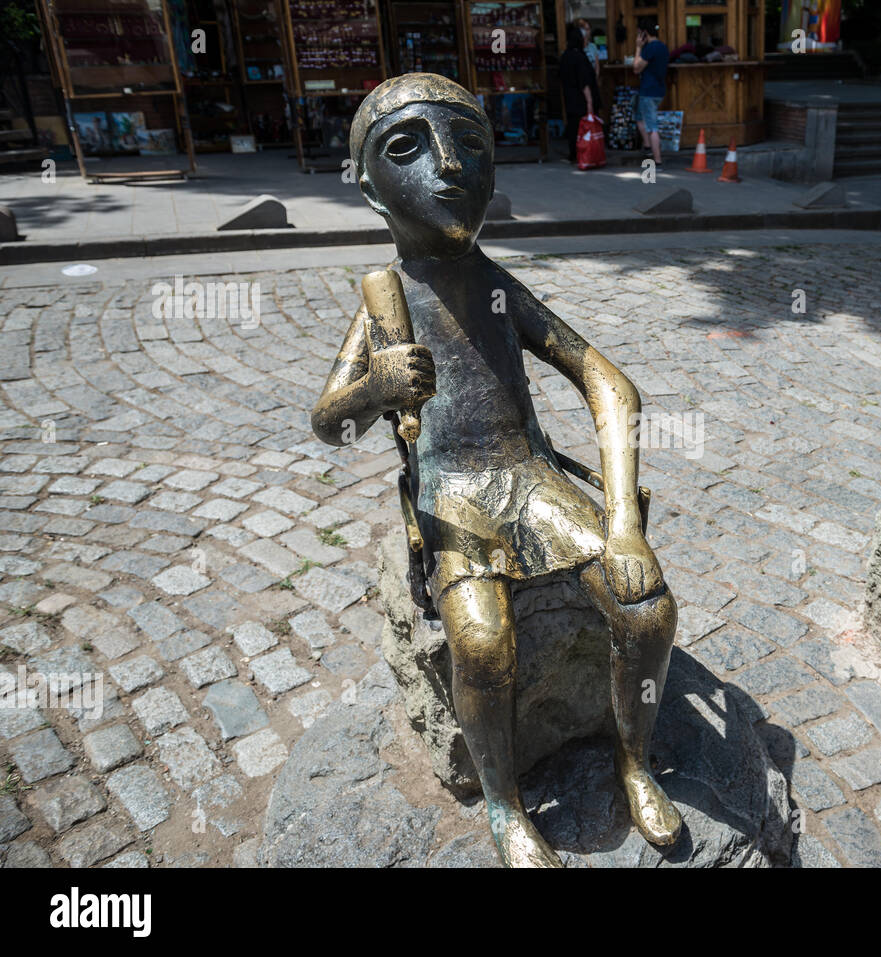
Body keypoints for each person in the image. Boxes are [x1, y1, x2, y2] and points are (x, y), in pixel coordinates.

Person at [313, 74, 681, 868]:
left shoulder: (496, 289)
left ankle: (634, 758)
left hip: (533, 480)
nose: (448, 167)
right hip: (454, 496)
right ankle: (505, 803)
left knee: (646, 610)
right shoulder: (388, 302)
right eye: (408, 147)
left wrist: (622, 524)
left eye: (470, 146)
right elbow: (330, 423)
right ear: (372, 189)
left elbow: (608, 382)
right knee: (480, 644)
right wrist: (376, 386)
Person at [558, 24, 597, 163]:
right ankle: (586, 153)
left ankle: (574, 154)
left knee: (573, 127)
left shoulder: (565, 56)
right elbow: (584, 82)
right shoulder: (580, 57)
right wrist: (590, 102)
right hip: (581, 100)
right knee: (584, 127)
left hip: (570, 98)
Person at [633, 20, 668, 164]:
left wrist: (638, 48)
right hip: (659, 90)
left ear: (644, 34)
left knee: (651, 126)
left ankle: (657, 160)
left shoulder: (649, 48)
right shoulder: (663, 47)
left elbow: (636, 68)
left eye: (639, 34)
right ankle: (647, 146)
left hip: (648, 90)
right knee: (640, 118)